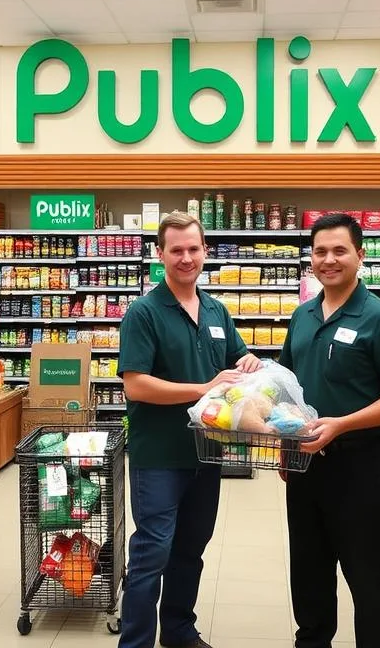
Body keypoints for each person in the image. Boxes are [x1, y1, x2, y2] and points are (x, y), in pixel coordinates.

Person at [278, 212, 380, 648]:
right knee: (308, 569)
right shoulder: (303, 315)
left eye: (339, 250)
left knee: (366, 574)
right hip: (305, 464)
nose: (329, 259)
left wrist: (341, 425)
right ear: (311, 258)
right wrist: (285, 441)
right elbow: (288, 384)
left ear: (360, 255)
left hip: (360, 466)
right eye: (320, 251)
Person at [117, 212, 261, 648]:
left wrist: (249, 360)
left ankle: (178, 631)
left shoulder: (216, 310)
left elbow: (236, 359)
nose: (186, 258)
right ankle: (136, 642)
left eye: (193, 249)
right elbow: (136, 384)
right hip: (159, 455)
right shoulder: (144, 313)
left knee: (191, 548)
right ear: (159, 254)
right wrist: (203, 388)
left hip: (207, 453)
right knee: (151, 554)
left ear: (205, 252)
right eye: (176, 250)